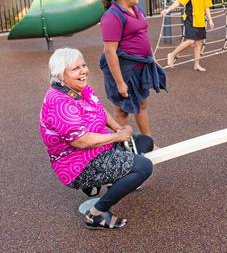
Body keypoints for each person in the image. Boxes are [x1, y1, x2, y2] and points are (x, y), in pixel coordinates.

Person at [40, 48, 154, 230]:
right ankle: (97, 213)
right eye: (76, 68)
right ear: (61, 75)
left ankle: (102, 182)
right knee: (143, 167)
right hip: (76, 162)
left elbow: (99, 109)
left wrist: (119, 128)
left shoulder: (78, 88)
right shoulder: (58, 102)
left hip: (96, 148)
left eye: (83, 65)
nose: (84, 71)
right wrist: (117, 137)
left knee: (145, 143)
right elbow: (81, 141)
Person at [100, 0, 167, 136]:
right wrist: (120, 83)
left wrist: (152, 58)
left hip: (140, 67)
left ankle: (148, 143)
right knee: (122, 110)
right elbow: (110, 51)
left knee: (142, 104)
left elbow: (142, 35)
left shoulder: (136, 9)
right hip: (123, 70)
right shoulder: (112, 16)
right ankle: (124, 148)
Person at [162, 0, 215, 72]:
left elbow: (207, 7)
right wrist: (168, 9)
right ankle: (172, 54)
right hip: (190, 19)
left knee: (199, 42)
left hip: (200, 20)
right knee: (190, 40)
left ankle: (196, 64)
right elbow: (179, 2)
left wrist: (210, 20)